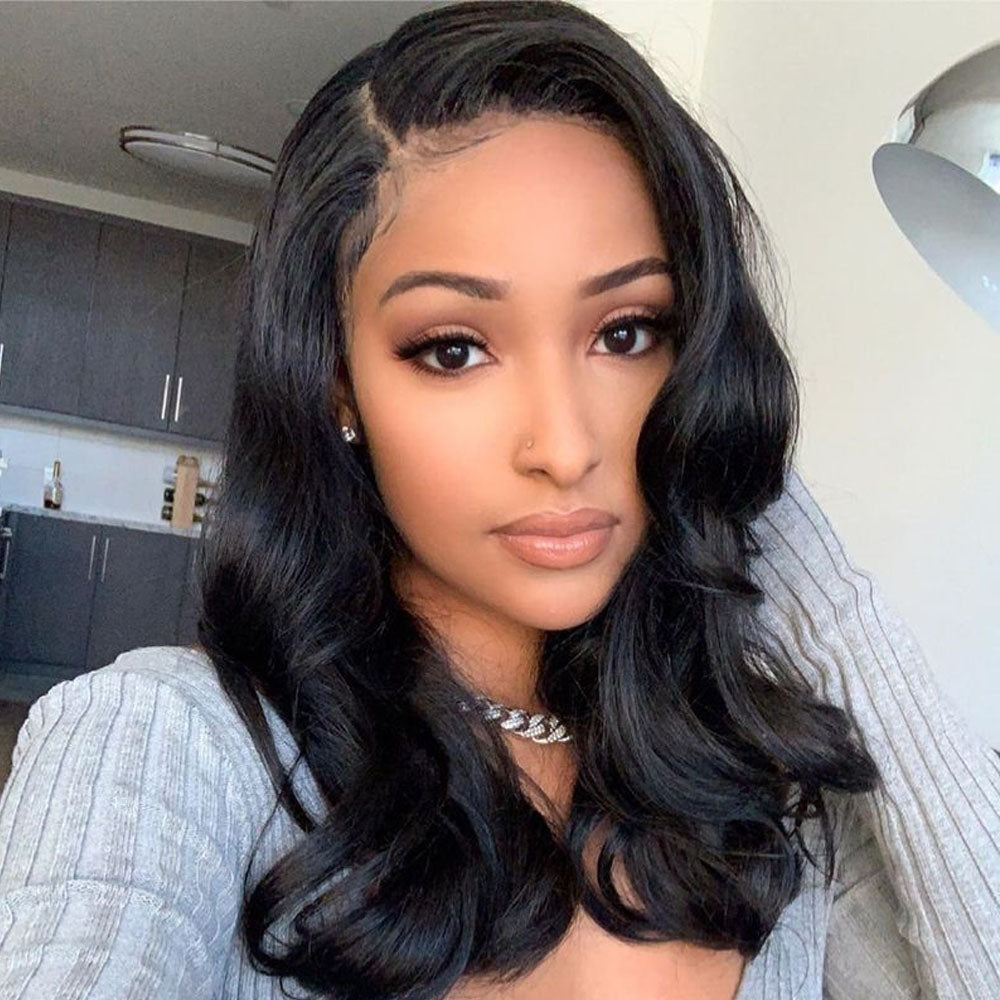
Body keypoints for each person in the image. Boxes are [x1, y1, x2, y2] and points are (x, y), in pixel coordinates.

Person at [0, 1, 997, 997]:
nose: (564, 448)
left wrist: (765, 520)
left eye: (626, 333)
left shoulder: (769, 797)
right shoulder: (167, 748)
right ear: (337, 382)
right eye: (454, 349)